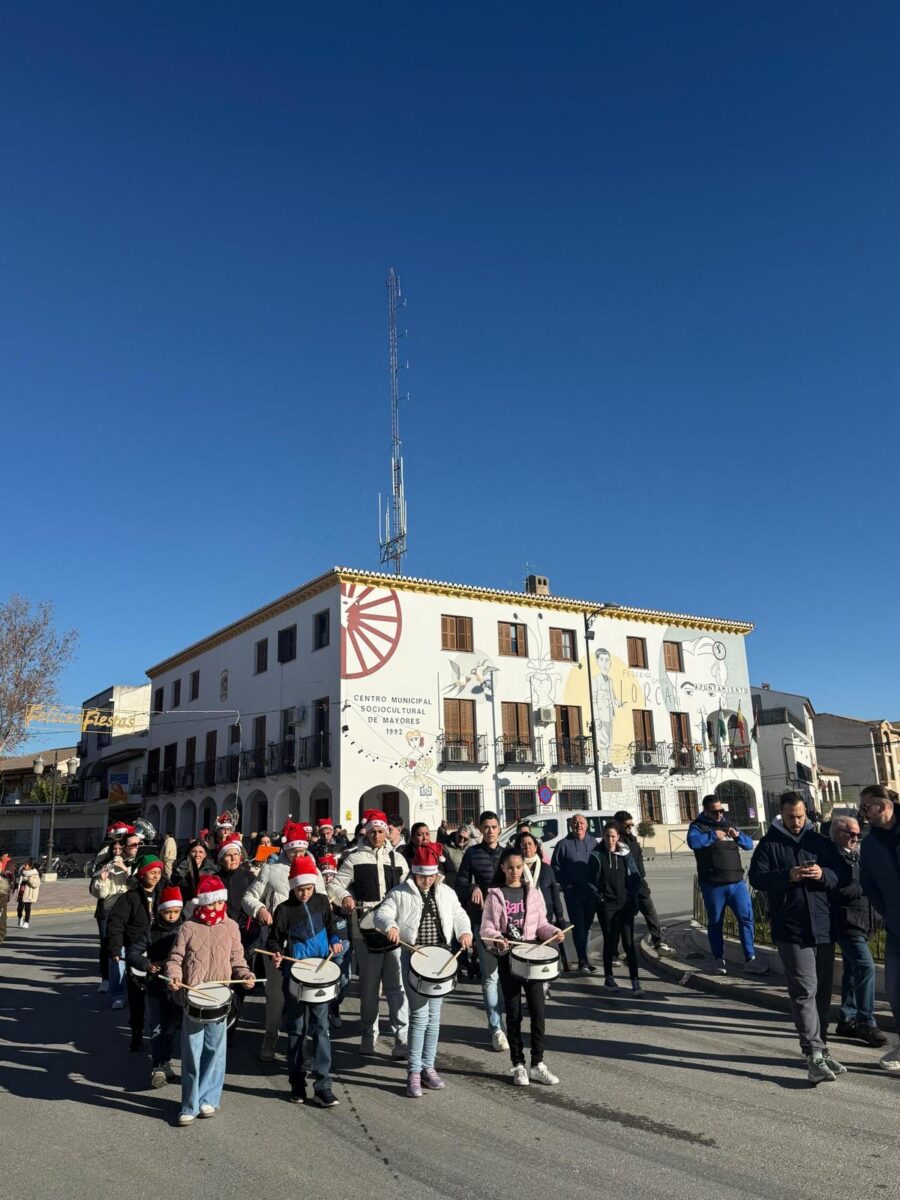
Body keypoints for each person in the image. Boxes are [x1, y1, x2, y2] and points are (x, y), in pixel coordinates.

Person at [748, 791, 850, 1084]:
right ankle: (813, 1053)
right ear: (781, 815)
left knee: (823, 991)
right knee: (804, 990)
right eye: (791, 816)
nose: (796, 821)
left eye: (801, 816)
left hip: (823, 927)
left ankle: (822, 1047)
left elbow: (842, 875)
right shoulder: (769, 844)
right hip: (791, 929)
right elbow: (757, 878)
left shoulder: (819, 841)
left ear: (807, 814)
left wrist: (822, 874)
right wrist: (788, 876)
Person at [374, 842, 473, 1097]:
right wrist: (390, 926)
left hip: (441, 958)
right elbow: (381, 914)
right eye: (422, 876)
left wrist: (464, 932)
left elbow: (459, 914)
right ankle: (414, 1072)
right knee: (419, 1016)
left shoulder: (447, 892)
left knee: (434, 1017)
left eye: (430, 876)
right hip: (414, 957)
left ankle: (428, 1067)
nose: (427, 880)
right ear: (414, 873)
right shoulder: (400, 893)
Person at [166, 874, 255, 1126]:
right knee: (192, 1053)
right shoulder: (188, 927)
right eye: (211, 903)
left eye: (219, 902)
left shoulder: (231, 927)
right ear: (202, 903)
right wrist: (173, 976)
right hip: (193, 998)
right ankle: (189, 1104)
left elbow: (237, 959)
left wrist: (246, 975)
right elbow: (175, 959)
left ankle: (208, 1099)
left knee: (215, 1052)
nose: (216, 907)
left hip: (219, 998)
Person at [481, 845, 565, 1086]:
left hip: (532, 956)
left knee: (538, 1011)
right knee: (514, 1012)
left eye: (519, 867)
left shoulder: (533, 892)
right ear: (502, 868)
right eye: (510, 868)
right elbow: (487, 928)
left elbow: (542, 925)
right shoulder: (495, 894)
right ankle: (518, 1064)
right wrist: (497, 938)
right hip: (508, 957)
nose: (515, 872)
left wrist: (554, 932)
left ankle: (538, 1064)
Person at [328, 809, 409, 1057]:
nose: (376, 835)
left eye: (380, 831)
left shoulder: (398, 859)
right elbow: (334, 885)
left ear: (387, 832)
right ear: (367, 832)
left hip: (393, 930)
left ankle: (401, 1037)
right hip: (364, 932)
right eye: (372, 831)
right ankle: (368, 1034)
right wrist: (345, 897)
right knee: (369, 987)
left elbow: (409, 891)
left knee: (396, 986)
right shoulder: (354, 858)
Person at [242, 820, 325, 1060]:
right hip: (276, 943)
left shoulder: (314, 870)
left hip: (306, 945)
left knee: (303, 996)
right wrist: (260, 910)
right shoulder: (271, 869)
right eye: (292, 850)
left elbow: (322, 901)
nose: (297, 855)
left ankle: (302, 1045)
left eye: (300, 850)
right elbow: (249, 896)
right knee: (276, 996)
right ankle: (270, 1035)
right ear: (285, 848)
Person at [267, 853, 343, 1108]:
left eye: (309, 888)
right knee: (297, 1029)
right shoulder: (284, 910)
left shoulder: (321, 901)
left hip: (321, 971)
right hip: (295, 973)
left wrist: (335, 940)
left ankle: (323, 1085)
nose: (305, 894)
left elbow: (332, 927)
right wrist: (277, 953)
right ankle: (297, 1081)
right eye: (300, 889)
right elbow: (274, 940)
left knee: (321, 1028)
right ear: (292, 887)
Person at [688, 794, 765, 975]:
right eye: (715, 812)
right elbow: (693, 842)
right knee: (716, 923)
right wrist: (713, 835)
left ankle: (750, 958)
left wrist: (737, 836)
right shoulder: (698, 827)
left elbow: (749, 845)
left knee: (746, 919)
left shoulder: (728, 824)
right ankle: (718, 959)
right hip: (713, 885)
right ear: (706, 811)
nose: (719, 814)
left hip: (736, 883)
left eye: (721, 811)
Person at [455, 811, 509, 1049]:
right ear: (479, 829)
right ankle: (495, 1028)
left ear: (499, 829)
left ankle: (505, 1020)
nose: (490, 831)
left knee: (507, 976)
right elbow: (460, 883)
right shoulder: (472, 853)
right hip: (483, 921)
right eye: (486, 827)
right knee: (490, 976)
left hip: (507, 924)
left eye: (494, 827)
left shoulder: (507, 853)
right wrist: (473, 887)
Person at [830, 815, 885, 1047]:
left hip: (863, 921)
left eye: (857, 834)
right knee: (866, 966)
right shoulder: (832, 857)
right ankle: (866, 1022)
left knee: (853, 970)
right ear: (836, 834)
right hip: (846, 922)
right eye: (850, 834)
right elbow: (834, 888)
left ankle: (847, 1018)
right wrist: (865, 884)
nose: (855, 838)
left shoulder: (856, 856)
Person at [126, 884, 185, 1088]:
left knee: (171, 1028)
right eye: (168, 912)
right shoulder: (150, 931)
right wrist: (147, 964)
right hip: (157, 987)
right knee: (158, 1027)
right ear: (160, 911)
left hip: (178, 987)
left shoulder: (186, 929)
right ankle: (158, 1066)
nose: (172, 916)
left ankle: (166, 1062)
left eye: (176, 911)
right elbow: (132, 952)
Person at [859, 784, 900, 1070]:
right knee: (895, 990)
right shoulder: (871, 843)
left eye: (866, 807)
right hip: (897, 928)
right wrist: (888, 912)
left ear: (883, 806)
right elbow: (868, 883)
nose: (863, 814)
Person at [108, 854, 166, 1051]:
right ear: (142, 874)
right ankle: (137, 1033)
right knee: (137, 997)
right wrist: (116, 948)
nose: (156, 876)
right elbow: (116, 923)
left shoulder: (164, 893)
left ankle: (161, 1035)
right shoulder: (130, 897)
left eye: (158, 872)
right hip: (136, 952)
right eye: (152, 872)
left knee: (161, 997)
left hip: (159, 951)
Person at [587, 822, 644, 994]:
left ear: (618, 837)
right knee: (610, 941)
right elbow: (590, 882)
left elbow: (636, 876)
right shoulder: (596, 855)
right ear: (603, 836)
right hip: (607, 905)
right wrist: (600, 898)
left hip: (624, 904)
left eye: (613, 836)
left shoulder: (625, 854)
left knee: (628, 943)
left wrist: (633, 895)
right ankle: (609, 978)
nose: (610, 839)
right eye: (607, 836)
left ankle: (635, 981)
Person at [614, 810, 673, 955]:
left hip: (639, 884)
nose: (630, 827)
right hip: (624, 888)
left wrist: (641, 876)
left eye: (631, 824)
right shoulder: (615, 841)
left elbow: (639, 860)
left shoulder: (633, 840)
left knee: (650, 911)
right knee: (625, 919)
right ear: (618, 825)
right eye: (627, 825)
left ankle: (658, 941)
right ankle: (619, 951)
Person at [551, 814, 598, 972]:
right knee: (578, 926)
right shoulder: (563, 844)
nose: (579, 825)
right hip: (573, 893)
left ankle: (585, 958)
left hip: (590, 892)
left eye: (582, 823)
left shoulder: (593, 842)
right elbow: (555, 867)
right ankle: (583, 960)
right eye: (575, 823)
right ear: (571, 825)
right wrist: (567, 885)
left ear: (587, 825)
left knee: (588, 926)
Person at [90, 844, 132, 1004]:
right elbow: (100, 894)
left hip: (127, 911)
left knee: (127, 947)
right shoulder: (104, 865)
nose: (117, 852)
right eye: (114, 849)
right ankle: (107, 979)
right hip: (107, 911)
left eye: (120, 849)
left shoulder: (130, 865)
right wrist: (103, 879)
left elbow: (137, 884)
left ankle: (127, 982)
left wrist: (124, 868)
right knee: (107, 945)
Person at [318, 853, 352, 1026]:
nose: (328, 879)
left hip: (343, 943)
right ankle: (323, 1014)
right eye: (325, 876)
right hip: (323, 944)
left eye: (331, 875)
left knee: (344, 981)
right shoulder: (316, 895)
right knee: (324, 981)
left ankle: (335, 1005)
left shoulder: (343, 893)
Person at [173, 838, 218, 903]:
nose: (197, 855)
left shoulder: (213, 871)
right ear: (189, 853)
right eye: (194, 851)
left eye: (200, 852)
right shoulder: (179, 870)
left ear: (205, 855)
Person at [16, 860, 40, 928]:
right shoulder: (22, 873)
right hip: (21, 892)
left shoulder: (34, 874)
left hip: (29, 894)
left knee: (27, 908)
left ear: (30, 866)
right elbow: (19, 882)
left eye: (26, 865)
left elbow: (36, 884)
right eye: (24, 864)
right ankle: (20, 917)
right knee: (19, 908)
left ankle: (26, 922)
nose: (24, 866)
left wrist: (29, 879)